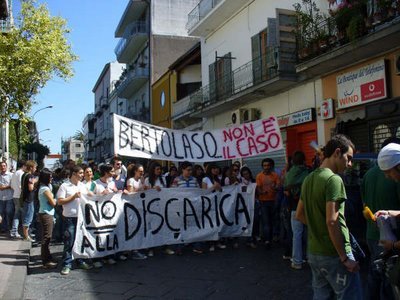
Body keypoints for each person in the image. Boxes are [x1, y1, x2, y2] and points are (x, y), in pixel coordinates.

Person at [296, 134, 362, 299]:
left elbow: (299, 215)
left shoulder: (308, 179)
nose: (350, 164)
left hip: (314, 253)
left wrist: (319, 229)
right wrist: (344, 258)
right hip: (334, 255)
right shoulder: (334, 180)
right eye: (349, 158)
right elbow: (332, 221)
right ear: (337, 153)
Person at [362, 138, 400, 300]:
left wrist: (394, 245)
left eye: (389, 172)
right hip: (385, 236)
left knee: (382, 278)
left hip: (381, 237)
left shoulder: (368, 175)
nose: (387, 177)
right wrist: (390, 212)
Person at [57, 165, 92, 275]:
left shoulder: (82, 186)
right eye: (81, 173)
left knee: (80, 240)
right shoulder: (64, 186)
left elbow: (91, 196)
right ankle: (67, 264)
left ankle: (80, 260)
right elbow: (60, 201)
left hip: (81, 218)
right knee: (69, 241)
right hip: (69, 218)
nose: (83, 175)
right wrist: (73, 197)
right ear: (73, 174)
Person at [284, 151, 309, 270]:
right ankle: (310, 257)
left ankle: (297, 261)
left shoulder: (290, 173)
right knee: (309, 233)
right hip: (308, 206)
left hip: (295, 206)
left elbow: (286, 187)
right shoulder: (308, 172)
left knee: (297, 234)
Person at [172, 161, 203, 254]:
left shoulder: (194, 180)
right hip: (181, 207)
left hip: (193, 207)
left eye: (191, 170)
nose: (190, 172)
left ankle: (196, 246)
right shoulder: (177, 180)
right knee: (181, 226)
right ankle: (179, 246)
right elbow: (172, 192)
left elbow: (198, 191)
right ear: (183, 170)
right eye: (188, 170)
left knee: (194, 225)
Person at [144, 161, 174, 256]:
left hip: (161, 205)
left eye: (160, 169)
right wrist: (152, 188)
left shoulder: (163, 179)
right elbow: (145, 192)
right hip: (151, 206)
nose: (159, 171)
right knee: (152, 227)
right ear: (153, 170)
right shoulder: (147, 179)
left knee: (163, 226)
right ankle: (150, 248)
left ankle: (165, 246)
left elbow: (165, 190)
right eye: (157, 169)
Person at [256, 158, 280, 248]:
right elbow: (258, 188)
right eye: (264, 165)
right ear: (262, 166)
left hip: (274, 201)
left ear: (271, 166)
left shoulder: (275, 175)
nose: (266, 167)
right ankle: (267, 240)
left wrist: (275, 188)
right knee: (266, 221)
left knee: (274, 220)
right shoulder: (259, 176)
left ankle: (275, 236)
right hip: (264, 201)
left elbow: (278, 186)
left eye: (268, 165)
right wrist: (261, 192)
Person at [202, 163, 226, 251]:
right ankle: (210, 243)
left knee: (218, 223)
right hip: (209, 205)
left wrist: (219, 188)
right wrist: (213, 187)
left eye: (217, 168)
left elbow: (222, 191)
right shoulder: (205, 179)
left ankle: (218, 241)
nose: (216, 170)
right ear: (210, 170)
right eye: (213, 168)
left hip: (218, 203)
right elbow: (204, 192)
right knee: (210, 224)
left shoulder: (218, 179)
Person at [37, 169, 57, 268]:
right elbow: (53, 203)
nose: (52, 178)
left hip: (46, 213)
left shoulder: (46, 187)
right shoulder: (44, 189)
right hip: (46, 214)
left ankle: (48, 257)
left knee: (47, 237)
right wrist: (57, 199)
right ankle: (45, 261)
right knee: (46, 237)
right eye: (50, 177)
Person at [20, 160, 38, 242]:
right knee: (28, 218)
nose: (36, 169)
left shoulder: (24, 174)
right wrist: (35, 186)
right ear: (31, 167)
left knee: (26, 217)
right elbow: (30, 188)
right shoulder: (30, 176)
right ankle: (26, 236)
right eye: (35, 167)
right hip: (29, 199)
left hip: (24, 198)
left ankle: (26, 235)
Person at [10, 160, 26, 238]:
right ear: (23, 166)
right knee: (22, 214)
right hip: (20, 196)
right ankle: (17, 231)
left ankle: (14, 231)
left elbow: (12, 185)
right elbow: (21, 185)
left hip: (15, 195)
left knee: (17, 214)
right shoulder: (21, 174)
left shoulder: (15, 173)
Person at [0, 161, 14, 234]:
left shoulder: (11, 175)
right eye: (1, 166)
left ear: (6, 166)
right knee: (1, 213)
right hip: (1, 198)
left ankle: (10, 226)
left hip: (9, 197)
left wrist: (5, 187)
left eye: (4, 166)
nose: (3, 167)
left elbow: (13, 185)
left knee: (9, 212)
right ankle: (3, 228)